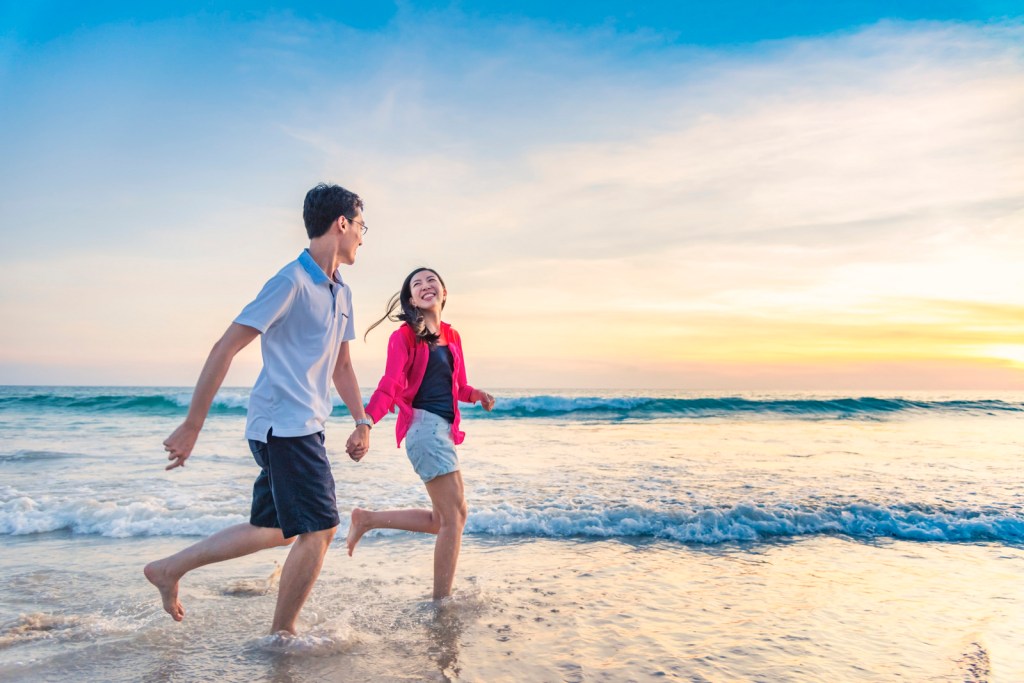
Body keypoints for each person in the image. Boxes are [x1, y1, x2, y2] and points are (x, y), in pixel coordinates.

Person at [144, 183, 373, 636]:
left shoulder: (341, 291)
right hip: (283, 426)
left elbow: (341, 365)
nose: (364, 236)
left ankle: (170, 569)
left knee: (278, 529)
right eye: (362, 225)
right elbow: (225, 347)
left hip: (303, 424)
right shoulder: (289, 281)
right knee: (322, 529)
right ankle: (282, 635)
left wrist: (361, 419)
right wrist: (193, 424)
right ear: (341, 223)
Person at [345, 267, 494, 601]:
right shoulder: (404, 337)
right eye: (417, 284)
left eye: (432, 281)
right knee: (455, 517)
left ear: (444, 292)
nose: (426, 286)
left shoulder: (453, 337)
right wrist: (365, 422)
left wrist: (477, 395)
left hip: (442, 429)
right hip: (424, 429)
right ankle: (441, 603)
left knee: (441, 519)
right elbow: (391, 385)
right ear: (411, 299)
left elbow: (458, 387)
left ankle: (367, 519)